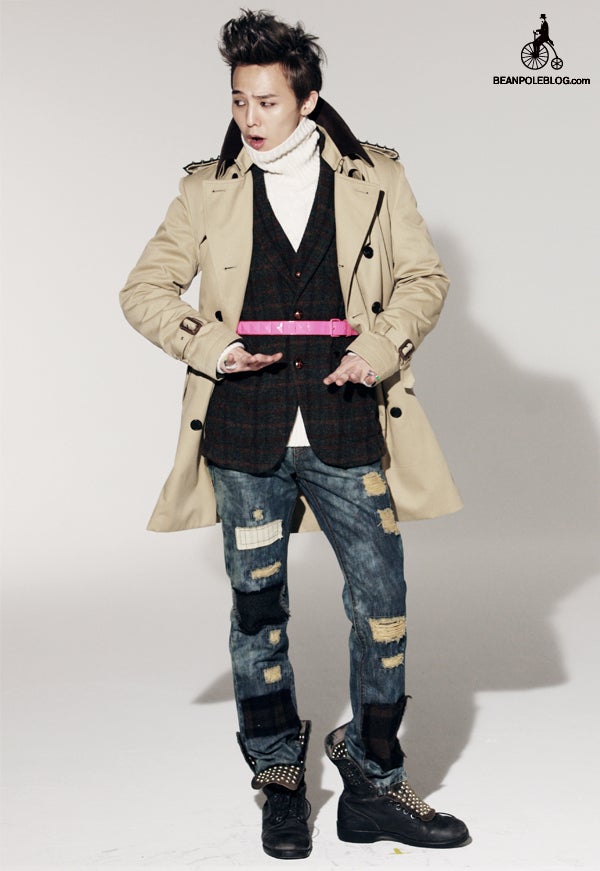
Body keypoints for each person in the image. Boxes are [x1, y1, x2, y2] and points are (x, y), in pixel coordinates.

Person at [120, 9, 469, 860]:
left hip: (347, 420)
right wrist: (211, 346)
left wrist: (380, 348)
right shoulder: (206, 188)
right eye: (239, 100)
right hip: (245, 428)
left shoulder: (376, 176)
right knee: (257, 609)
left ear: (308, 99)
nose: (250, 116)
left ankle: (373, 777)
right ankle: (278, 775)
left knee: (383, 602)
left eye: (267, 101)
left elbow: (424, 277)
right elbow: (145, 289)